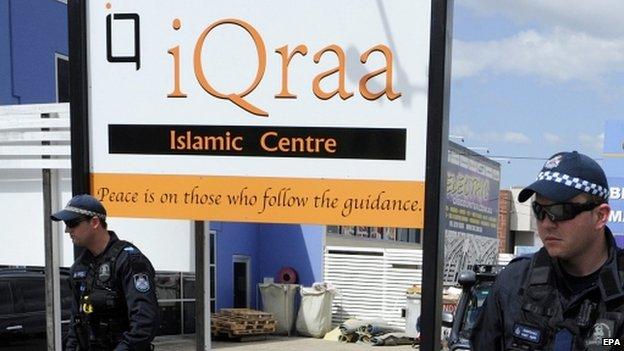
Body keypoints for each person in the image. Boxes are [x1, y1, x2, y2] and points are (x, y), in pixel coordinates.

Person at [471, 151, 624, 350]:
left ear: (600, 216)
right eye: (539, 210)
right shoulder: (513, 283)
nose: (546, 224)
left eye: (560, 211)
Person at [52, 194, 159, 351]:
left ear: (95, 222)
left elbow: (144, 323)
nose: (67, 230)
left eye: (72, 223)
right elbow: (76, 322)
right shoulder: (79, 268)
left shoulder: (129, 260)